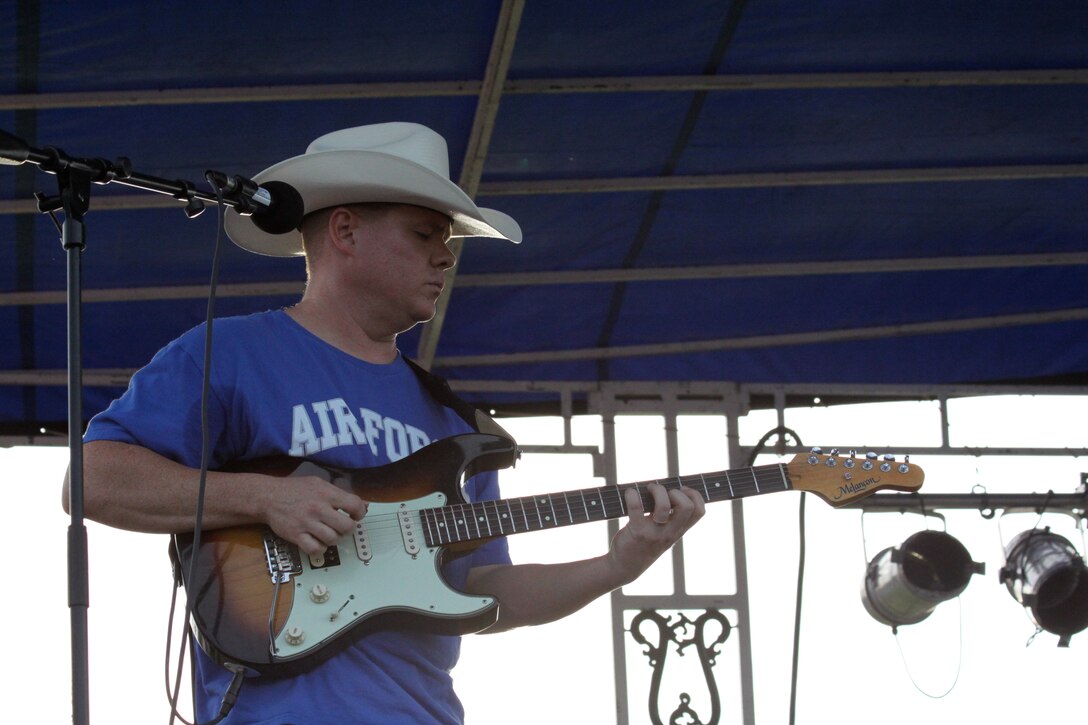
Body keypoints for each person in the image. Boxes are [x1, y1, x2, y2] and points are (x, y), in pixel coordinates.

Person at [63, 122, 705, 724]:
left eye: (448, 242)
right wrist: (265, 497)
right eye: (426, 236)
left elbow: (486, 590)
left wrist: (617, 565)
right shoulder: (230, 353)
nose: (446, 259)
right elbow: (90, 479)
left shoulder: (455, 422)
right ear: (345, 232)